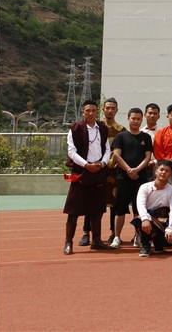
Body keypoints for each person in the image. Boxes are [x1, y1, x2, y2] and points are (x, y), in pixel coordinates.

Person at [63, 100, 111, 254]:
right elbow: (72, 152)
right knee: (73, 210)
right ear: (82, 112)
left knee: (97, 209)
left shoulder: (102, 128)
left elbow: (107, 149)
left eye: (94, 110)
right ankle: (68, 242)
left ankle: (96, 240)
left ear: (97, 112)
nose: (91, 113)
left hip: (99, 172)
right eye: (88, 110)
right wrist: (86, 165)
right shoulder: (75, 128)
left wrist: (102, 163)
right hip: (81, 173)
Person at [110, 107, 153, 249]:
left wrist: (136, 170)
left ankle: (138, 236)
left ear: (142, 120)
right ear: (128, 119)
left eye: (138, 119)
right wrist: (128, 170)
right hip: (123, 178)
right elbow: (116, 155)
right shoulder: (121, 136)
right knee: (120, 209)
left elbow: (148, 157)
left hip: (141, 179)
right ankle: (117, 237)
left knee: (138, 209)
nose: (135, 121)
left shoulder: (146, 137)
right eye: (133, 118)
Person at [134, 159, 172, 257]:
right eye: (161, 169)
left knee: (168, 241)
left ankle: (158, 243)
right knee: (142, 221)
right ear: (156, 171)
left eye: (167, 171)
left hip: (163, 218)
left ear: (170, 174)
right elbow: (140, 205)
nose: (163, 172)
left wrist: (170, 229)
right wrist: (145, 219)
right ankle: (145, 244)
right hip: (149, 217)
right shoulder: (144, 187)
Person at [98, 97, 125, 244]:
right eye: (107, 108)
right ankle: (88, 232)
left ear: (117, 110)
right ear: (103, 109)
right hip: (97, 171)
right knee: (95, 203)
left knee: (115, 203)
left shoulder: (121, 130)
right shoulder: (96, 127)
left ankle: (114, 233)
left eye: (112, 108)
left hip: (115, 172)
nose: (110, 111)